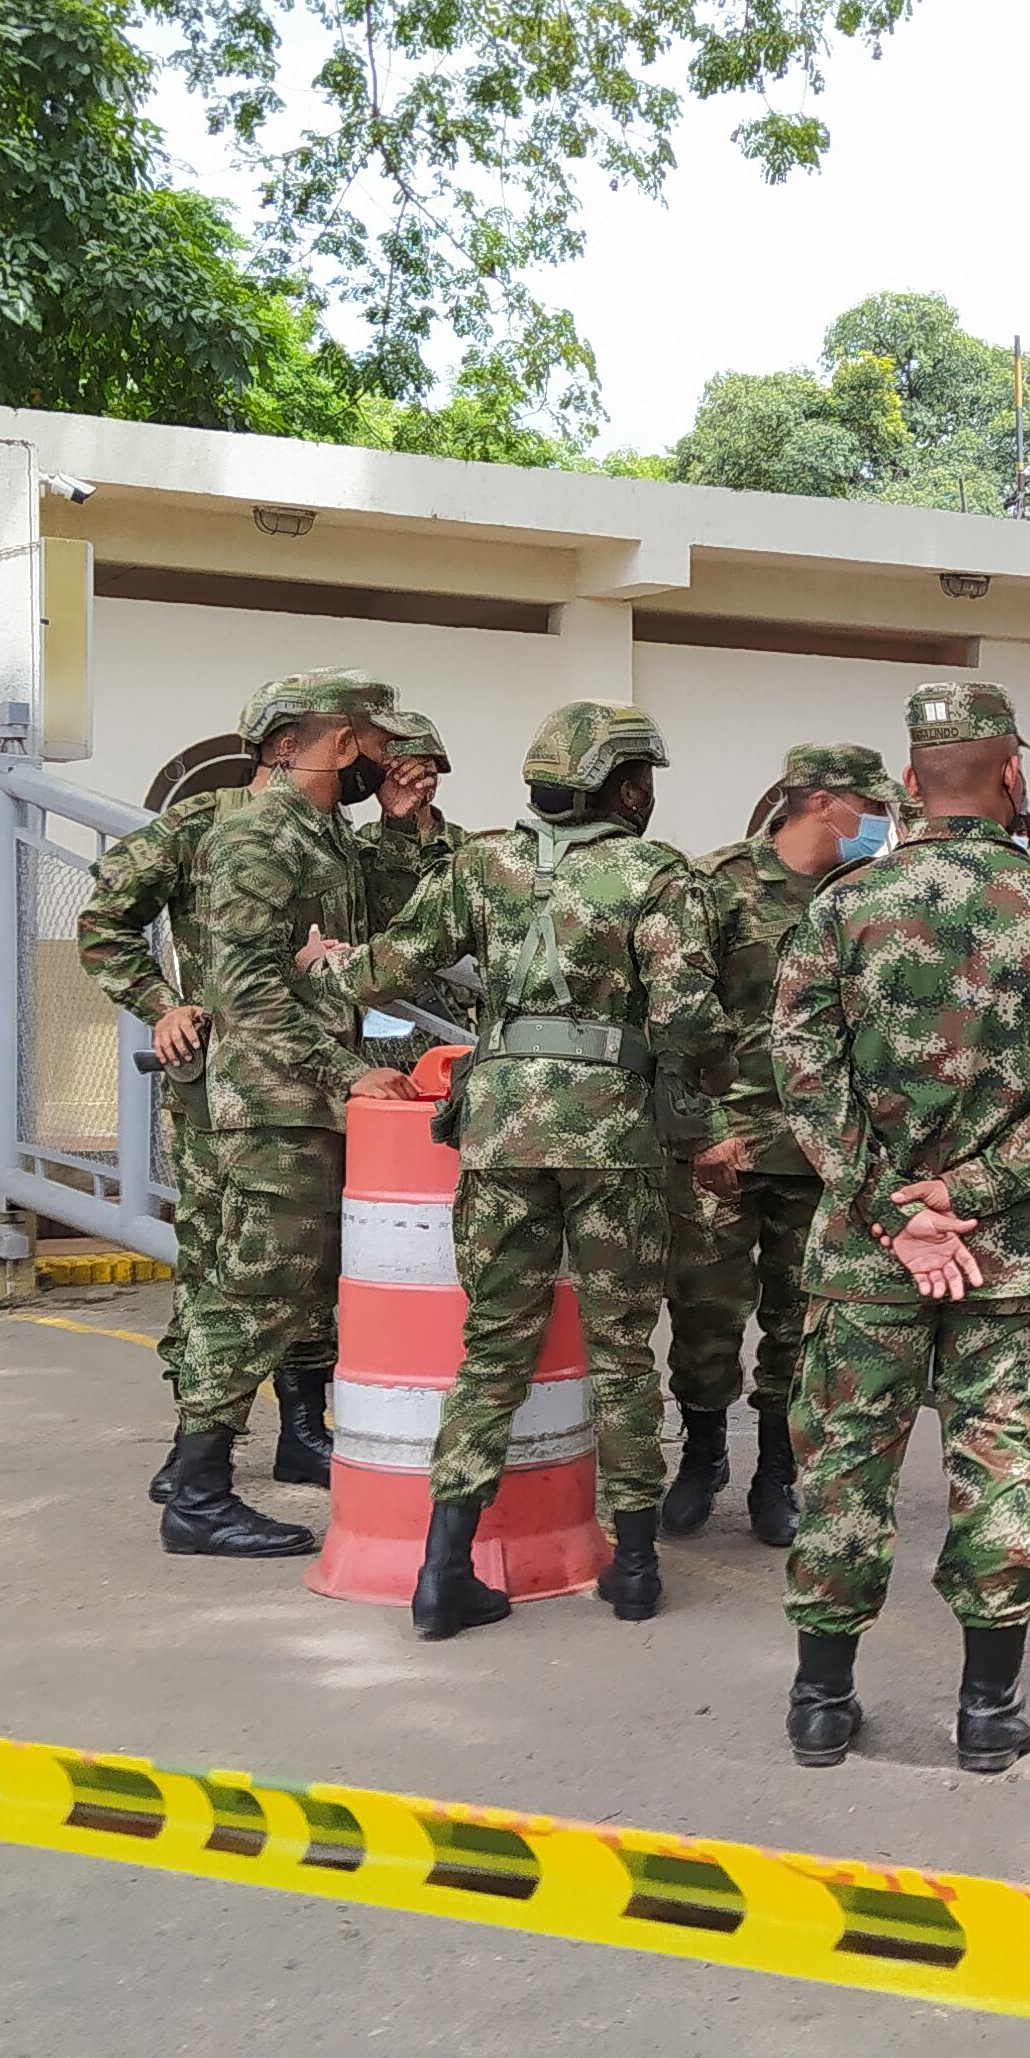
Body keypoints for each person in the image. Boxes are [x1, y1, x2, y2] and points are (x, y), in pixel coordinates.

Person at [307, 700, 724, 1640]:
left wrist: (312, 977)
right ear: (622, 786)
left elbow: (388, 969)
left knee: (494, 1344)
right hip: (612, 1134)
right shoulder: (653, 875)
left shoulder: (481, 862)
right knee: (621, 1350)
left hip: (497, 1130)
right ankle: (637, 1568)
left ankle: (442, 1572)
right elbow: (690, 1015)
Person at [775, 683, 1030, 1772]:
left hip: (866, 1256)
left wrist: (892, 1204)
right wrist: (968, 1195)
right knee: (999, 1463)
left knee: (842, 1463)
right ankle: (987, 1711)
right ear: (1012, 778)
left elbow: (799, 1064)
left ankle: (821, 1704)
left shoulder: (841, 907)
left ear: (910, 781)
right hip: (1004, 1255)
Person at [79, 678, 455, 1502]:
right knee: (244, 1280)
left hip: (296, 1088)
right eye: (371, 740)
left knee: (286, 1279)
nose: (383, 757)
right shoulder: (240, 831)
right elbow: (181, 959)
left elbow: (393, 929)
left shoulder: (325, 835)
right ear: (322, 743)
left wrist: (400, 825)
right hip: (255, 1093)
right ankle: (199, 1480)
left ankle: (261, 1445)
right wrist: (160, 1002)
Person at [660, 743, 901, 1547]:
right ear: (827, 803)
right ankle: (700, 1457)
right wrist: (702, 1128)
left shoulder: (871, 894)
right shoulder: (717, 883)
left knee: (800, 1326)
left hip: (819, 1148)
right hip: (724, 1147)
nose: (883, 826)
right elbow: (674, 1012)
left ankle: (775, 1472)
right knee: (703, 1315)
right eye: (875, 809)